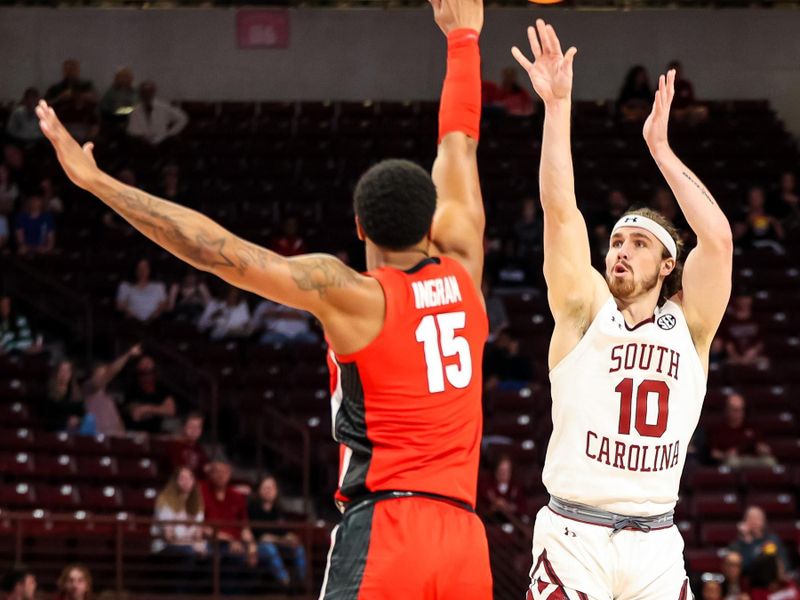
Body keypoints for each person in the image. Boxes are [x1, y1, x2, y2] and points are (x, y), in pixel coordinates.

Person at [37, 0, 492, 594]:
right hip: (464, 538)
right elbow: (458, 144)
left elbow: (215, 250)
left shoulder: (353, 296)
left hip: (389, 528)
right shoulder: (465, 267)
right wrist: (463, 39)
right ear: (433, 222)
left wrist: (98, 183)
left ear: (358, 226)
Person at [512, 20, 732, 600]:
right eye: (614, 243)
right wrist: (557, 108)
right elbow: (561, 212)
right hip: (573, 533)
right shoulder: (584, 310)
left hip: (656, 543)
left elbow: (718, 242)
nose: (620, 252)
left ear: (667, 267)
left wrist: (660, 149)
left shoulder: (691, 326)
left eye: (637, 244)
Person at [248, 475, 307, 586]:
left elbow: (283, 532)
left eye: (272, 488)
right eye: (266, 488)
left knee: (298, 548)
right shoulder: (252, 509)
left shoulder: (278, 510)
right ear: (259, 490)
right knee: (270, 549)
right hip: (258, 546)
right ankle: (285, 582)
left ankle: (301, 583)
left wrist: (291, 538)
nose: (269, 491)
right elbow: (263, 537)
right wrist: (283, 540)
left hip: (278, 543)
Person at [83, 344, 141, 436]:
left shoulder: (108, 399)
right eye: (99, 374)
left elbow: (119, 423)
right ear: (92, 375)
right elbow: (109, 373)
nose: (104, 377)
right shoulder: (88, 388)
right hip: (94, 439)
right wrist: (128, 355)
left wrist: (122, 436)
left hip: (112, 441)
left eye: (104, 374)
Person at [709, 393, 775, 468]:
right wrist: (725, 454)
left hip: (752, 459)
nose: (738, 413)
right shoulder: (719, 428)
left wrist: (763, 449)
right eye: (735, 410)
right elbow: (713, 453)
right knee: (732, 462)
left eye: (741, 409)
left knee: (770, 461)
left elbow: (762, 446)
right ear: (727, 410)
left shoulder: (752, 427)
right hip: (732, 460)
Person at [152, 466, 207, 556]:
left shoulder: (197, 503)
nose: (187, 482)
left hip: (190, 545)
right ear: (175, 482)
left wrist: (197, 544)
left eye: (190, 478)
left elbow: (198, 534)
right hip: (165, 546)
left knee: (209, 552)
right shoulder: (165, 501)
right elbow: (169, 536)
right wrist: (189, 544)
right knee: (188, 552)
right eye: (182, 478)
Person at [122, 354, 177, 434]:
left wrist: (147, 408)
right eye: (143, 372)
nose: (147, 376)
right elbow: (136, 415)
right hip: (134, 434)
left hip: (154, 435)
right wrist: (158, 409)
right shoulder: (132, 389)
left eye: (150, 371)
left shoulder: (161, 388)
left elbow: (171, 410)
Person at [729, 506, 791, 577]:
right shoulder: (737, 544)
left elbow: (785, 564)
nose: (754, 521)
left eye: (757, 518)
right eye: (751, 518)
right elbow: (744, 568)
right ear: (744, 521)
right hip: (749, 583)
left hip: (773, 581)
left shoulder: (773, 540)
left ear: (764, 521)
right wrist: (746, 541)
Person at [126, 81, 188, 147]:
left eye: (149, 92)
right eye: (144, 92)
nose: (146, 95)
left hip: (163, 143)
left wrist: (170, 133)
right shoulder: (135, 110)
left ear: (153, 93)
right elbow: (132, 130)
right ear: (140, 94)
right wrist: (141, 137)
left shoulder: (164, 107)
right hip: (142, 144)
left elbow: (183, 118)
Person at [44, 359, 92, 435]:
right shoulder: (49, 392)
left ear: (71, 374)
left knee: (90, 419)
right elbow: (48, 418)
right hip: (58, 429)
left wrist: (77, 420)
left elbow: (82, 413)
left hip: (76, 428)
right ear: (56, 372)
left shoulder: (75, 392)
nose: (64, 374)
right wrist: (66, 421)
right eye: (62, 370)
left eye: (67, 371)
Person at [115, 259, 168, 323]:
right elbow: (120, 306)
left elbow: (163, 305)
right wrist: (135, 318)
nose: (142, 271)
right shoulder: (125, 285)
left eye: (145, 268)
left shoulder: (159, 286)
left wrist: (151, 318)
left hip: (154, 323)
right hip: (131, 322)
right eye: (139, 268)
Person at [248, 299, 319, 346]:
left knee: (314, 339)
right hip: (276, 335)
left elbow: (305, 315)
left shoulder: (295, 302)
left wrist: (276, 314)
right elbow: (254, 326)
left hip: (300, 334)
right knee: (265, 340)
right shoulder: (263, 306)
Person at [479, 454, 523, 522]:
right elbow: (482, 509)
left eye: (507, 470)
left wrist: (508, 507)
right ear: (496, 470)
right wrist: (494, 507)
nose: (504, 474)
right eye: (501, 470)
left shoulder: (516, 487)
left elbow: (523, 507)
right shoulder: (487, 487)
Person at [168, 412, 209, 476]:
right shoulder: (174, 446)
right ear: (184, 427)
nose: (195, 430)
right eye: (191, 426)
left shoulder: (199, 448)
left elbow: (205, 467)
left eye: (198, 427)